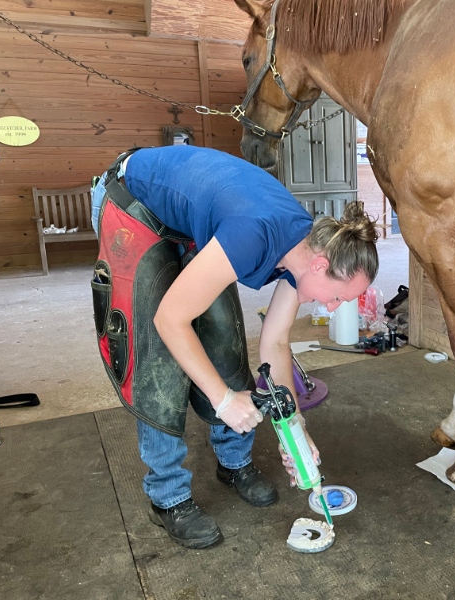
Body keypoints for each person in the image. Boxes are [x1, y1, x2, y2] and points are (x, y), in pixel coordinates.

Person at [89, 145, 378, 549]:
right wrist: (224, 400)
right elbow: (170, 320)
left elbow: (275, 342)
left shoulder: (307, 250)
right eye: (337, 297)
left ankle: (234, 463)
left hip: (190, 217)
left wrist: (293, 431)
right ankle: (168, 497)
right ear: (320, 266)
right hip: (133, 200)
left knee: (224, 342)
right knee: (156, 357)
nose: (331, 308)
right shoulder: (253, 236)